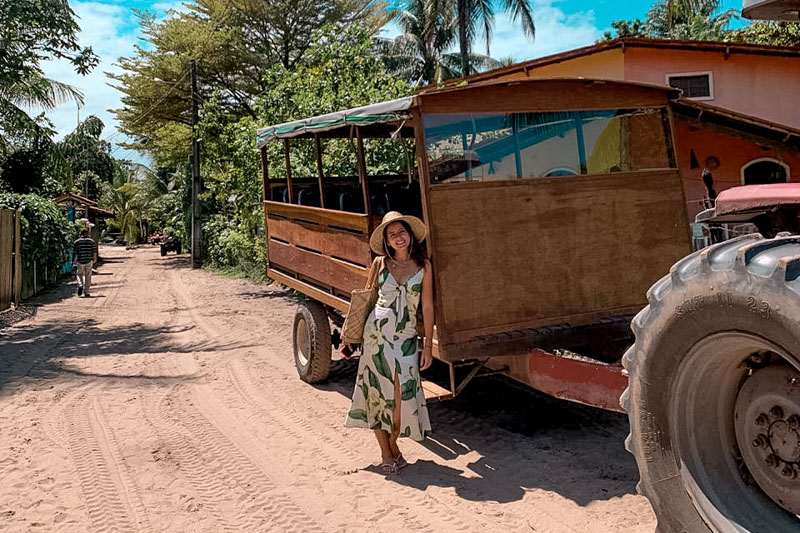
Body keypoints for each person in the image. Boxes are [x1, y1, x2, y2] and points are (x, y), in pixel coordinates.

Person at [345, 211, 434, 474]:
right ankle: (386, 452)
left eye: (401, 232)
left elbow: (427, 307)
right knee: (377, 395)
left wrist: (427, 344)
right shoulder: (379, 264)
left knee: (400, 400)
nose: (398, 237)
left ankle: (393, 444)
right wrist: (351, 337)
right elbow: (366, 300)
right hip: (376, 338)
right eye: (391, 234)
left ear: (410, 234)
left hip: (406, 340)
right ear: (386, 239)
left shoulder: (424, 266)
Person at [73, 229, 97, 297]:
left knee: (79, 274)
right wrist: (94, 259)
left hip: (80, 261)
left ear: (81, 234)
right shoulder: (91, 241)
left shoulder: (77, 242)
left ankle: (80, 285)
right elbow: (94, 251)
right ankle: (87, 292)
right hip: (89, 260)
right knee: (88, 276)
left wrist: (73, 262)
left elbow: (75, 253)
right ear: (87, 233)